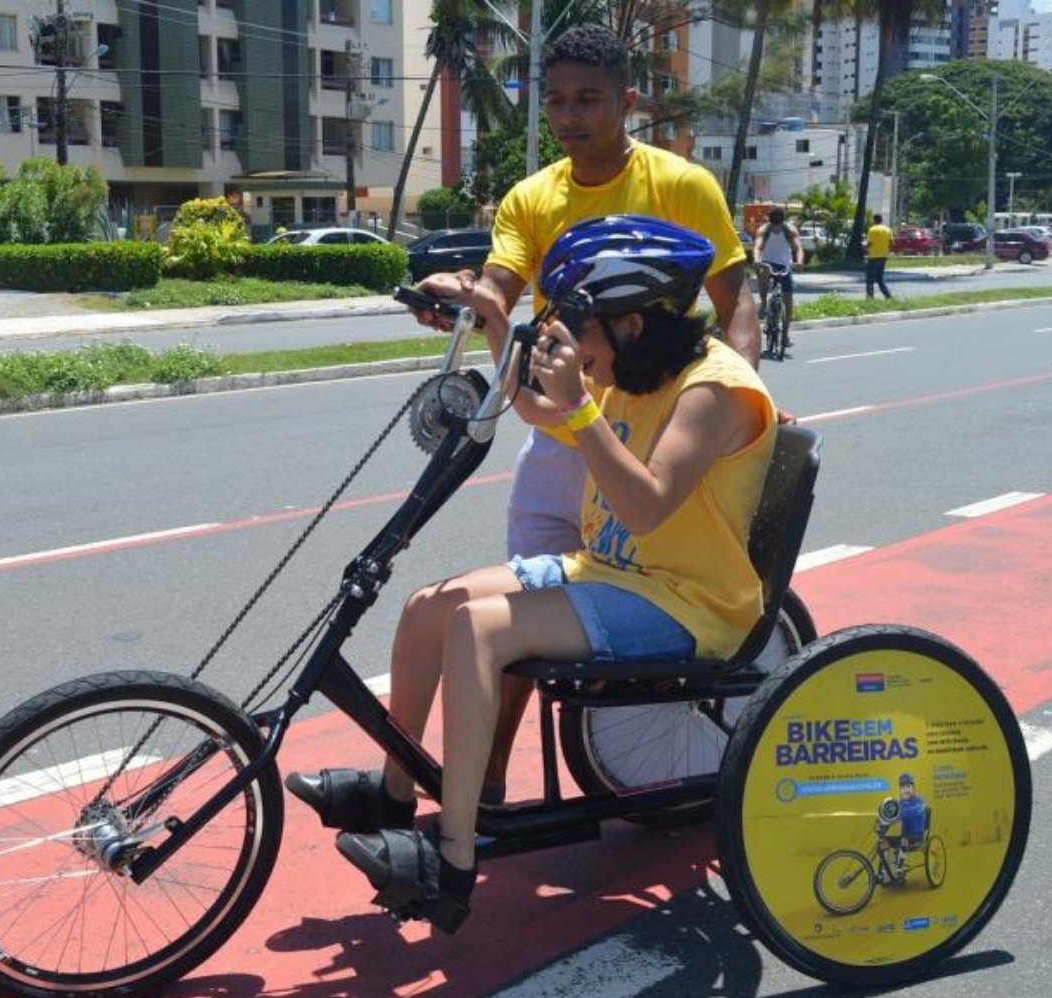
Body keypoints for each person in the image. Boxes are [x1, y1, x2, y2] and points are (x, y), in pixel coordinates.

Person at [286, 216, 777, 931]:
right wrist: (495, 318)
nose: (575, 343)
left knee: (479, 631)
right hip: (616, 572)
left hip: (686, 599)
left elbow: (643, 505)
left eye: (584, 327)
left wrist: (580, 404)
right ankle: (395, 797)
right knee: (431, 603)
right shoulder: (641, 368)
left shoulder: (713, 389)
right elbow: (543, 415)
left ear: (632, 324)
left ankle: (452, 859)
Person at [404, 22, 761, 806]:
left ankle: (476, 799)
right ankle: (487, 783)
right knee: (512, 614)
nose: (569, 116)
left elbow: (739, 305)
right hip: (565, 428)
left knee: (577, 602)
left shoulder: (682, 185)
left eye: (588, 100)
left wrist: (728, 414)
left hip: (658, 423)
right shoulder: (534, 196)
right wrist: (468, 299)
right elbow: (501, 286)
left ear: (628, 102)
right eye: (556, 100)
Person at [752, 206, 804, 350]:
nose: (776, 224)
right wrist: (757, 260)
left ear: (782, 220)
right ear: (770, 219)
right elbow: (758, 246)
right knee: (764, 272)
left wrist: (799, 262)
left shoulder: (790, 230)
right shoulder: (764, 229)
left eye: (778, 221)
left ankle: (785, 334)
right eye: (774, 220)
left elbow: (798, 247)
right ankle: (763, 303)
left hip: (785, 264)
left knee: (788, 303)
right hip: (768, 261)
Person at [865, 212, 894, 300]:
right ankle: (888, 297)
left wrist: (864, 247)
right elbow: (891, 242)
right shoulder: (888, 230)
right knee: (880, 279)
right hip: (883, 256)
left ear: (874, 220)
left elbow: (869, 243)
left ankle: (870, 298)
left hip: (873, 257)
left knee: (870, 279)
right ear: (881, 220)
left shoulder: (872, 230)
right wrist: (888, 250)